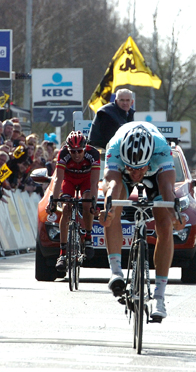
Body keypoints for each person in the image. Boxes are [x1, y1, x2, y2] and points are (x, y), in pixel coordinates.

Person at [98, 121, 185, 321]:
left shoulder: (161, 149)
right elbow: (110, 183)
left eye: (140, 169)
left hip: (156, 176)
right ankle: (116, 272)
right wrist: (107, 208)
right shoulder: (115, 147)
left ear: (149, 160)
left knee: (164, 222)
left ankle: (160, 297)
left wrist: (175, 215)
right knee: (113, 207)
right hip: (120, 177)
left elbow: (167, 189)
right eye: (131, 168)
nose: (136, 174)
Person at [47, 131, 101, 272]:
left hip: (86, 180)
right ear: (68, 149)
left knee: (87, 203)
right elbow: (58, 179)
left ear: (85, 148)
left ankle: (88, 238)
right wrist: (53, 201)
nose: (76, 155)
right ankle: (62, 254)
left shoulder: (93, 154)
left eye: (79, 151)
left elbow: (95, 182)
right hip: (69, 180)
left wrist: (94, 203)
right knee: (66, 208)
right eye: (73, 151)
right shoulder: (63, 154)